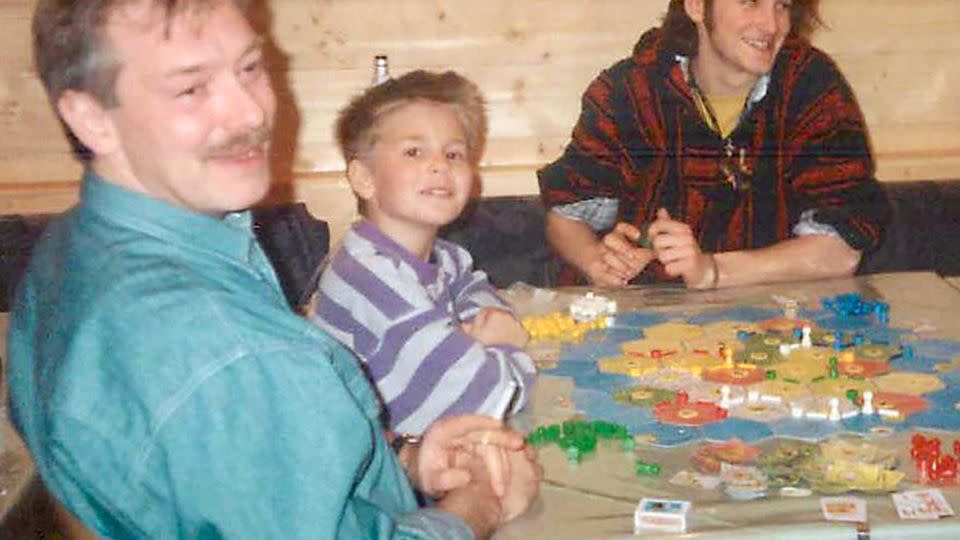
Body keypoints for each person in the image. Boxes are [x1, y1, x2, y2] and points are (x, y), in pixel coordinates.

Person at [7, 1, 539, 538]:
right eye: (192, 87)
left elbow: (236, 478)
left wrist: (404, 460)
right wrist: (478, 506)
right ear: (91, 118)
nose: (252, 114)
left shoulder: (71, 246)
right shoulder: (235, 352)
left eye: (250, 69)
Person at [538, 0, 890, 289]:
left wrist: (713, 271)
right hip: (640, 327)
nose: (771, 24)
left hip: (773, 325)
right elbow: (566, 214)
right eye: (749, 3)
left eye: (782, 5)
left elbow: (842, 249)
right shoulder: (628, 91)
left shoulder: (810, 87)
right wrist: (597, 261)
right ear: (695, 6)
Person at [309, 70, 537, 436]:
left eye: (454, 153)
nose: (439, 165)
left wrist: (473, 339)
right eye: (414, 151)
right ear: (364, 178)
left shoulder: (443, 257)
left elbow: (479, 295)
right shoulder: (370, 279)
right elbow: (489, 397)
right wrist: (507, 345)